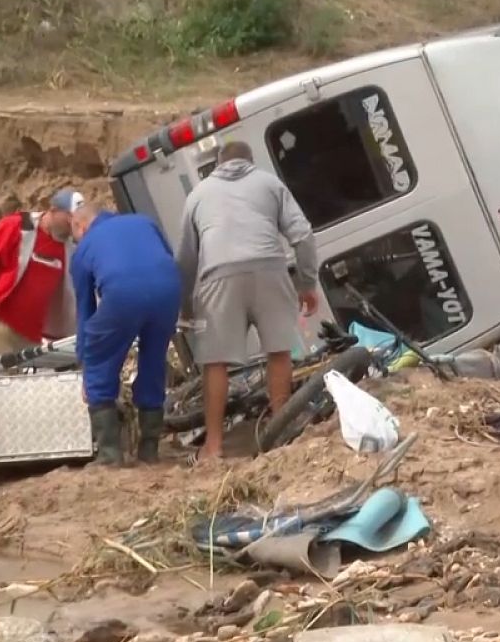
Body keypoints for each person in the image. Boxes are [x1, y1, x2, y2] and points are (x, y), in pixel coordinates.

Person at [176, 141, 319, 464]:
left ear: (218, 164)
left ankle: (213, 447)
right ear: (250, 162)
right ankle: (280, 428)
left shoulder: (198, 194)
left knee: (215, 362)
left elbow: (185, 259)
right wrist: (307, 283)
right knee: (278, 351)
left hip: (219, 275)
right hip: (269, 266)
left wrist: (185, 305)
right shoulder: (270, 183)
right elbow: (303, 236)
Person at [70, 204, 181, 465]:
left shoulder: (84, 248)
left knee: (100, 361)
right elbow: (166, 257)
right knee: (154, 361)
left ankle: (110, 455)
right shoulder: (145, 221)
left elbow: (85, 311)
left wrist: (85, 362)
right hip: (168, 290)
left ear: (81, 226)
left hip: (123, 294)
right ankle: (149, 449)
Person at [0, 190, 81, 359]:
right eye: (69, 218)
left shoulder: (70, 249)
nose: (73, 225)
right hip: (3, 326)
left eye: (77, 221)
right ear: (53, 210)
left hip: (34, 336)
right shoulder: (19, 227)